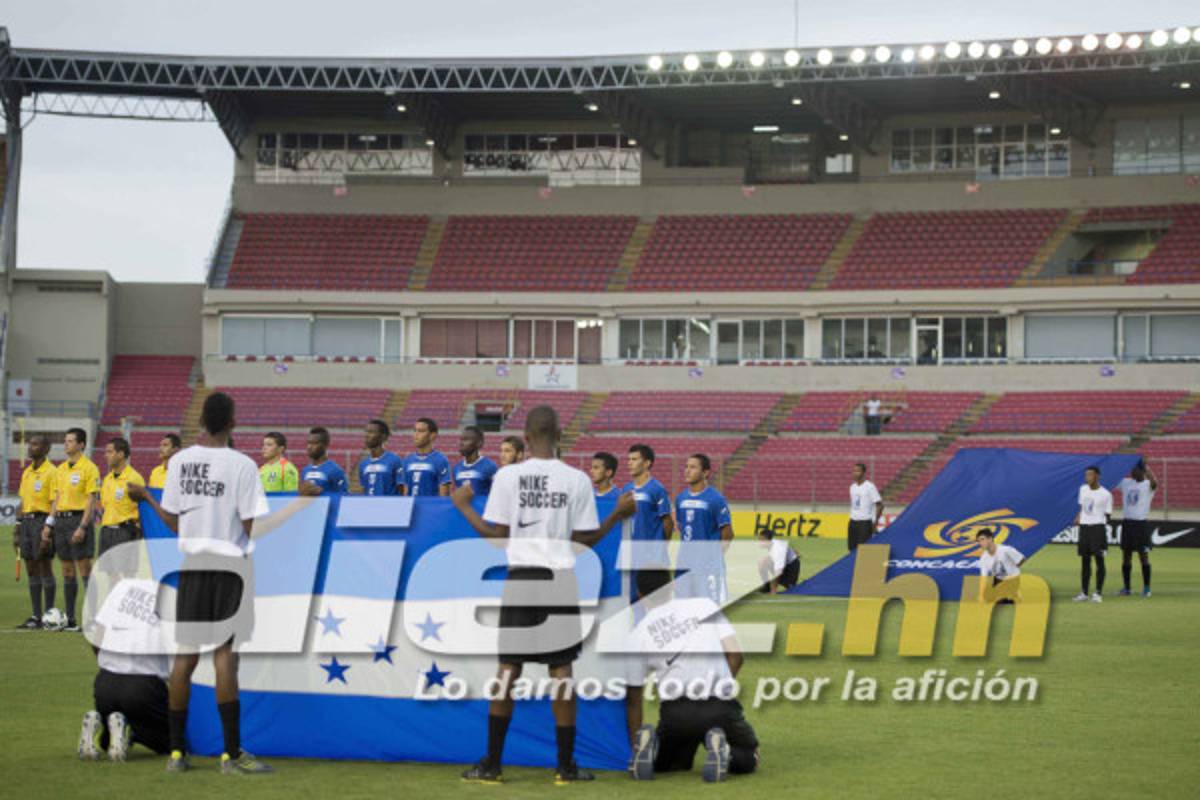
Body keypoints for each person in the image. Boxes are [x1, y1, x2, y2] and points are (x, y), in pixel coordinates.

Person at [451, 406, 632, 785]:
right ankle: (565, 767)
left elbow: (498, 537)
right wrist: (615, 514)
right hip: (559, 579)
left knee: (508, 670)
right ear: (560, 436)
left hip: (521, 578)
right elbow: (585, 540)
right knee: (562, 672)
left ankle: (492, 765)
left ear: (527, 438)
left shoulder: (508, 476)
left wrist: (465, 507)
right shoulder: (577, 479)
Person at [127, 392, 273, 774]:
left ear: (202, 421)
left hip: (190, 564)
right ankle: (231, 754)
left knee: (185, 657)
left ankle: (176, 755)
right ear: (232, 423)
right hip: (228, 565)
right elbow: (249, 524)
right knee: (225, 657)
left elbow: (173, 521)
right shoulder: (243, 465)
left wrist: (153, 503)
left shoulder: (178, 462)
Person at [627, 570, 759, 783]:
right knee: (749, 758)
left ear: (640, 595)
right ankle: (724, 751)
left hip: (676, 713)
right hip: (719, 704)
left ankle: (647, 750)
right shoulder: (704, 606)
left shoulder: (638, 634)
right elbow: (736, 656)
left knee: (669, 764)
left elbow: (633, 696)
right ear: (671, 587)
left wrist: (634, 742)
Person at [78, 577, 170, 762]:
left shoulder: (123, 587)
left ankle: (101, 730)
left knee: (113, 729)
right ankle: (132, 732)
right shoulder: (173, 597)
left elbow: (97, 636)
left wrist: (107, 663)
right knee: (170, 739)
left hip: (105, 684)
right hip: (144, 685)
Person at [41, 427, 101, 632]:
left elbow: (91, 500)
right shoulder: (60, 469)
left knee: (85, 569)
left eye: (70, 441)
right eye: (65, 440)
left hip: (78, 520)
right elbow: (56, 499)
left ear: (81, 444)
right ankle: (71, 619)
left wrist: (83, 526)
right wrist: (49, 523)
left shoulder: (90, 468)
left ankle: (93, 618)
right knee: (67, 571)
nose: (66, 444)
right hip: (61, 523)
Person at [674, 454, 733, 604]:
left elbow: (728, 534)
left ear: (705, 473)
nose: (687, 470)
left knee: (709, 611)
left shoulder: (715, 499)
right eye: (686, 466)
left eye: (693, 467)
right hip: (684, 563)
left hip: (708, 566)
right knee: (683, 609)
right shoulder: (680, 499)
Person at [622, 444, 674, 597]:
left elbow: (667, 522)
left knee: (655, 601)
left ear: (647, 463)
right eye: (629, 459)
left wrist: (659, 548)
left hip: (651, 557)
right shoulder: (626, 489)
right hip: (631, 555)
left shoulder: (657, 489)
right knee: (632, 600)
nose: (629, 463)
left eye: (634, 459)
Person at [15, 434, 56, 629]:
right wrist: (17, 525)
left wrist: (49, 526)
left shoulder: (52, 472)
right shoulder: (27, 473)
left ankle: (48, 615)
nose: (31, 447)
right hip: (27, 523)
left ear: (46, 448)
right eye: (30, 444)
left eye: (36, 444)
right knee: (30, 567)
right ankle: (35, 616)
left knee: (44, 566)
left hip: (42, 521)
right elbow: (22, 501)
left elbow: (55, 502)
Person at [97, 438, 145, 576]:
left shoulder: (134, 478)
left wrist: (137, 530)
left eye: (110, 452)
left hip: (125, 532)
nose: (105, 455)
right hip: (107, 531)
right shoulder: (107, 479)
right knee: (110, 576)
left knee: (127, 576)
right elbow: (106, 505)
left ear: (121, 454)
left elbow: (143, 507)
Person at [1117, 461, 1157, 597]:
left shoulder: (1147, 485)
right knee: (1126, 557)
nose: (1132, 472)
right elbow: (1112, 479)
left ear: (1141, 471)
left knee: (1143, 557)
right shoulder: (1126, 483)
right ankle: (1127, 588)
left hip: (1141, 525)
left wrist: (1147, 467)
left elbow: (1155, 482)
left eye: (1134, 470)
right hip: (1127, 524)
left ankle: (1146, 588)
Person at [1073, 465, 1112, 604]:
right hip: (1084, 528)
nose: (1087, 477)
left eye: (1090, 475)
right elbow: (1082, 507)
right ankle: (1084, 592)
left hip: (1098, 528)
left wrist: (1103, 532)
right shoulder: (1082, 489)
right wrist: (1078, 517)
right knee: (1085, 561)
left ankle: (1098, 593)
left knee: (1099, 561)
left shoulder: (1106, 494)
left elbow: (1108, 515)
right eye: (1086, 475)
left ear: (1097, 476)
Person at [401, 417, 452, 497]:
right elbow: (405, 491)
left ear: (432, 435)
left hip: (430, 508)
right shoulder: (407, 460)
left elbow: (444, 495)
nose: (416, 434)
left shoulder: (440, 460)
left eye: (421, 431)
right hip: (411, 508)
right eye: (414, 430)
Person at [974, 529, 1024, 603]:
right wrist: (981, 595)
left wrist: (1014, 571)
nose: (981, 543)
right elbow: (983, 578)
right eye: (979, 541)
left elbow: (1021, 559)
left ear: (990, 539)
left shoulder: (1005, 550)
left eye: (982, 539)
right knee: (989, 596)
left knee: (1008, 598)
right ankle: (1007, 595)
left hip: (1012, 579)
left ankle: (1015, 593)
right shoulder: (984, 557)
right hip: (998, 580)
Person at [298, 427, 348, 496]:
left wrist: (321, 494)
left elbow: (344, 497)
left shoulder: (336, 471)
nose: (309, 447)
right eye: (309, 443)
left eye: (314, 443)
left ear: (325, 445)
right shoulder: (305, 471)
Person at [359, 419, 404, 496]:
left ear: (383, 437)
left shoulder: (394, 461)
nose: (367, 435)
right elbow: (364, 490)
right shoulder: (363, 464)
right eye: (366, 431)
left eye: (371, 432)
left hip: (388, 507)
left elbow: (402, 490)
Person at [452, 426, 498, 496]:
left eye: (466, 439)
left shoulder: (490, 466)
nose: (461, 443)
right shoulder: (456, 468)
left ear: (479, 443)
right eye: (461, 439)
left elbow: (497, 494)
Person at [848, 463, 883, 552]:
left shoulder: (869, 487)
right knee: (851, 549)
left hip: (865, 523)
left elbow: (880, 505)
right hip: (853, 522)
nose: (855, 473)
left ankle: (864, 566)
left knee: (863, 550)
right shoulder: (852, 487)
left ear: (863, 473)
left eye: (858, 471)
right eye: (854, 471)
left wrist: (875, 523)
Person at [756, 529, 799, 594]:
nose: (759, 542)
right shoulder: (766, 545)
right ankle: (767, 586)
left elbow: (778, 571)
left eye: (762, 540)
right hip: (779, 563)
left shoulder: (778, 549)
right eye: (759, 539)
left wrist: (773, 590)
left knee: (791, 589)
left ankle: (774, 588)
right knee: (761, 563)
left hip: (791, 565)